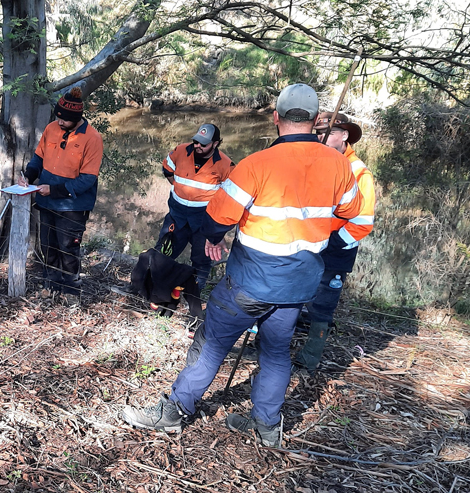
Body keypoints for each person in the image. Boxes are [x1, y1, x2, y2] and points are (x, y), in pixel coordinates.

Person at [120, 83, 363, 446]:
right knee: (277, 353)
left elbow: (218, 217)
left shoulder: (256, 164)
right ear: (314, 121)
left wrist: (215, 239)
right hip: (298, 285)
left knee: (211, 343)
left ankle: (173, 412)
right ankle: (267, 428)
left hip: (250, 281)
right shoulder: (340, 166)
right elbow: (351, 213)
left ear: (277, 117)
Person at [293, 111, 376, 373]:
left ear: (344, 135)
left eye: (326, 134)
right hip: (305, 242)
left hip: (335, 249)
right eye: (317, 133)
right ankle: (269, 345)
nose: (320, 138)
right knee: (289, 294)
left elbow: (362, 223)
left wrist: (330, 242)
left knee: (322, 305)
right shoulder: (314, 162)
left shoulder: (359, 173)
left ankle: (309, 359)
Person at [20, 87, 104, 298]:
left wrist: (55, 190)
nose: (60, 122)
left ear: (77, 118)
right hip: (47, 201)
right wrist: (29, 176)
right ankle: (50, 285)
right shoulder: (51, 129)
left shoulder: (92, 138)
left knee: (68, 249)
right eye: (58, 117)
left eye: (65, 120)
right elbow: (38, 158)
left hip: (73, 206)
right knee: (48, 246)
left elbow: (88, 179)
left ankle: (71, 291)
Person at [155, 123, 235, 290]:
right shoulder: (181, 151)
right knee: (163, 251)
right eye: (196, 141)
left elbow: (231, 196)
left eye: (203, 144)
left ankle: (195, 291)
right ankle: (154, 283)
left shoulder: (226, 165)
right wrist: (181, 192)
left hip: (204, 222)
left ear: (216, 144)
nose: (198, 146)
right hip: (177, 216)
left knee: (201, 259)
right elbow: (167, 170)